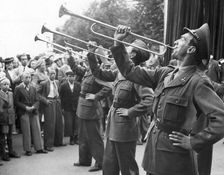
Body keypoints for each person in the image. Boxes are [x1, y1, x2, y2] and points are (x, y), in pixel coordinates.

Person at [111, 23, 224, 175]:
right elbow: (129, 71)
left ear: (191, 50)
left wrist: (194, 141)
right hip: (154, 151)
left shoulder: (198, 81)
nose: (176, 41)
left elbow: (221, 119)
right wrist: (118, 43)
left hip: (175, 160)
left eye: (183, 40)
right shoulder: (165, 73)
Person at [87, 40, 154, 175]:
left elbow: (150, 100)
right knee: (109, 163)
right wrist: (91, 53)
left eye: (128, 47)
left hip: (125, 128)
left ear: (133, 54)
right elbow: (98, 73)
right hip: (113, 124)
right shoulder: (119, 71)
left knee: (127, 166)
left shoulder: (138, 75)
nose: (125, 49)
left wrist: (130, 112)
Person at [67, 47, 112, 172]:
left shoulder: (99, 72)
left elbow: (108, 88)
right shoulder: (88, 71)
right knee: (83, 136)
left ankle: (100, 162)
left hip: (91, 109)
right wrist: (70, 56)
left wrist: (96, 96)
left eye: (88, 59)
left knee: (94, 137)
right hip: (82, 107)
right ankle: (84, 159)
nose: (86, 61)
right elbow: (75, 69)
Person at [14, 72, 47, 156]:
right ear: (22, 79)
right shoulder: (18, 88)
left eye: (29, 77)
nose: (28, 79)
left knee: (37, 129)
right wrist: (25, 107)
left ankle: (39, 148)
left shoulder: (33, 87)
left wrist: (34, 107)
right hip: (24, 111)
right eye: (26, 77)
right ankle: (28, 149)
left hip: (33, 111)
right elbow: (16, 101)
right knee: (26, 131)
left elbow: (37, 99)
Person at [38, 68, 65, 151]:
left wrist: (59, 100)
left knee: (59, 122)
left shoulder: (57, 82)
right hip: (49, 103)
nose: (53, 75)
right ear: (48, 74)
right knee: (50, 124)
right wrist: (45, 100)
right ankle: (48, 144)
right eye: (51, 74)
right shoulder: (44, 83)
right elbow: (37, 94)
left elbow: (58, 93)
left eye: (54, 73)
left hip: (56, 102)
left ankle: (58, 142)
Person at [0, 75, 20, 161]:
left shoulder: (11, 94)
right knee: (2, 137)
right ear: (0, 85)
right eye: (4, 84)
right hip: (3, 118)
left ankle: (11, 151)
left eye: (7, 84)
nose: (6, 86)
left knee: (10, 136)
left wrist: (13, 114)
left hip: (10, 117)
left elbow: (13, 106)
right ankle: (3, 153)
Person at [60, 68, 81, 145]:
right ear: (67, 77)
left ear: (75, 77)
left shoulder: (78, 85)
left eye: (73, 76)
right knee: (69, 123)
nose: (71, 77)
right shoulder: (63, 85)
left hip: (77, 106)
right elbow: (61, 97)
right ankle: (71, 138)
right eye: (70, 76)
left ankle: (76, 137)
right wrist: (62, 107)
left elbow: (81, 96)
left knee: (77, 122)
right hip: (67, 107)